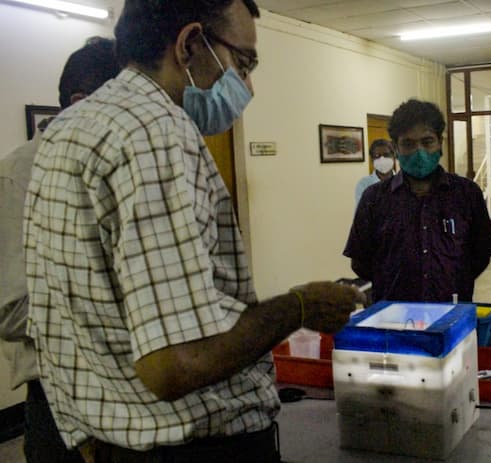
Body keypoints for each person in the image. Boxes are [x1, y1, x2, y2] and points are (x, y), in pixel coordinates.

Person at [23, 1, 362, 461]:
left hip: (107, 440)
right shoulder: (156, 133)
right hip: (189, 446)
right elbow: (175, 366)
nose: (248, 87)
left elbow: (53, 319)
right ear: (188, 44)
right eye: (243, 63)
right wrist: (300, 306)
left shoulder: (66, 130)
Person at [0, 37, 120, 463]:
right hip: (61, 399)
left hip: (134, 391)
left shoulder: (114, 166)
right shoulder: (18, 178)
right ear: (80, 102)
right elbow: (11, 308)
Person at [344, 99, 491, 302]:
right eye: (408, 144)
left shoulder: (467, 194)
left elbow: (481, 256)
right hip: (393, 318)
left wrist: (453, 281)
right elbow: (360, 262)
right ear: (396, 148)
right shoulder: (374, 198)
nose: (419, 152)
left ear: (440, 144)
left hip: (452, 315)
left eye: (427, 142)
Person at [354, 139, 395, 207]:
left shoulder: (403, 182)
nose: (382, 159)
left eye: (386, 155)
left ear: (393, 156)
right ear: (372, 160)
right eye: (377, 156)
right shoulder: (364, 184)